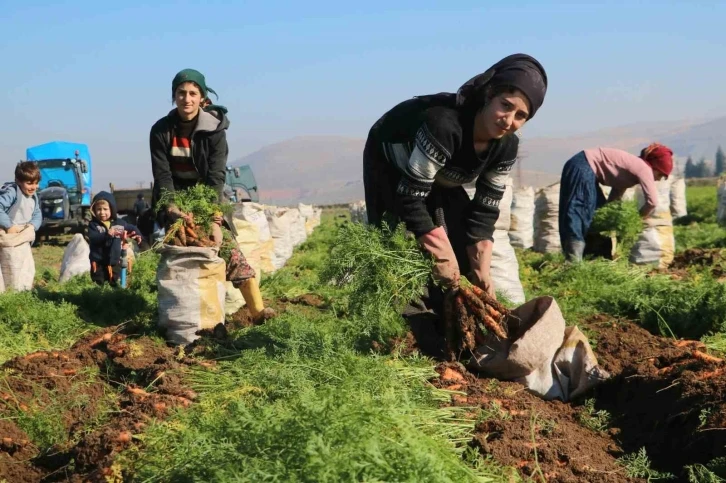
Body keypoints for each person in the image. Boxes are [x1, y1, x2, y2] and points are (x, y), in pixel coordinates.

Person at [363, 54, 547, 298]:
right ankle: (405, 321)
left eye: (521, 116)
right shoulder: (445, 126)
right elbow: (410, 197)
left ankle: (455, 313)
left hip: (441, 176)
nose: (509, 121)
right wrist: (440, 252)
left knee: (461, 248)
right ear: (489, 95)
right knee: (399, 249)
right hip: (391, 165)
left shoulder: (506, 146)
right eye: (505, 105)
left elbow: (486, 209)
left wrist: (482, 272)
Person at [149, 68, 275, 324]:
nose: (187, 98)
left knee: (228, 248)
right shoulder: (161, 131)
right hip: (174, 200)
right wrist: (172, 209)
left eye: (193, 93)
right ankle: (180, 317)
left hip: (207, 198)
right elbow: (163, 176)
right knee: (179, 251)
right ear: (174, 96)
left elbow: (215, 178)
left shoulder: (214, 131)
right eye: (181, 93)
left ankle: (258, 311)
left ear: (202, 97)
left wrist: (214, 219)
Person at [559, 143, 674, 262]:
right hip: (583, 165)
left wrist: (611, 215)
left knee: (597, 216)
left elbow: (616, 194)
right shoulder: (644, 168)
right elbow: (652, 202)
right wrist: (637, 218)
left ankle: (594, 261)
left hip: (584, 167)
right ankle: (574, 262)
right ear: (653, 166)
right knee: (581, 211)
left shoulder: (631, 171)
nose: (659, 179)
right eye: (660, 174)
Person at [88, 192, 143, 286]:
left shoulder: (119, 223)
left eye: (105, 209)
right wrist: (107, 234)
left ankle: (115, 297)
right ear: (94, 210)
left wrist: (138, 235)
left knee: (116, 283)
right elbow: (94, 238)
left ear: (112, 210)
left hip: (115, 261)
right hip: (98, 263)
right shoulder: (94, 225)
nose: (102, 212)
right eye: (98, 209)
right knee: (99, 284)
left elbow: (132, 228)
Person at [0, 162, 42, 235]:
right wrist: (9, 226)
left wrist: (32, 226)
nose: (34, 187)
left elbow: (37, 213)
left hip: (23, 234)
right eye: (29, 183)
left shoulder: (33, 197)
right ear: (18, 181)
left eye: (36, 183)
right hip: (8, 235)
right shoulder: (13, 193)